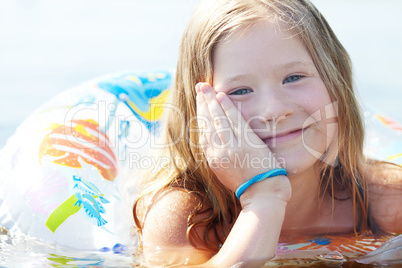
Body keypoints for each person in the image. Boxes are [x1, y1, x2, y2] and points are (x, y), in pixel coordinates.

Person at [133, 0, 402, 266]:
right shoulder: (186, 219)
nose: (274, 110)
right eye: (240, 91)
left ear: (336, 82)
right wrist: (263, 199)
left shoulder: (382, 202)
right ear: (200, 112)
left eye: (294, 77)